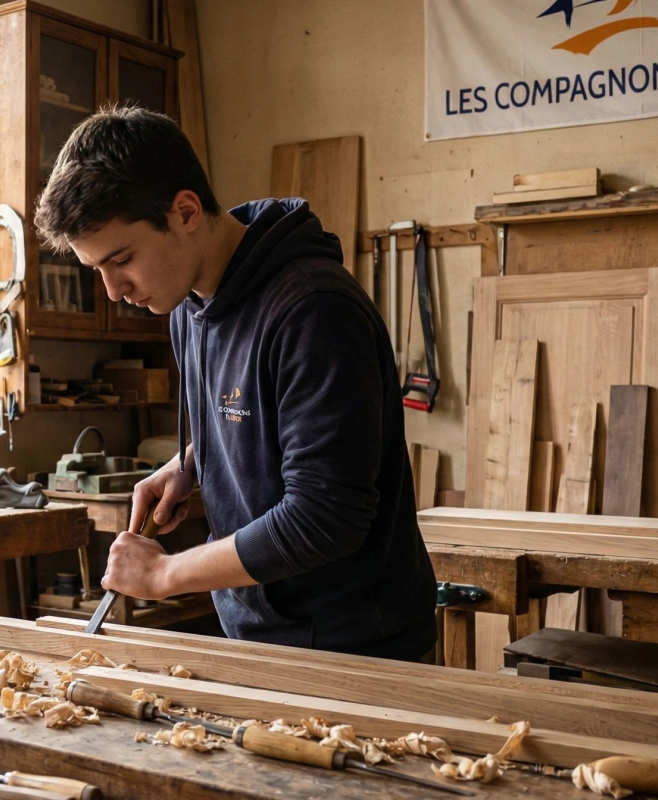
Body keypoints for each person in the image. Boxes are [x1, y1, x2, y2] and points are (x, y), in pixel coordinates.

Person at [33, 106, 437, 661]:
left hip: (354, 643)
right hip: (257, 631)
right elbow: (261, 412)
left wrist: (166, 573)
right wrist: (194, 463)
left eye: (121, 259)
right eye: (96, 269)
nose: (113, 291)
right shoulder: (187, 307)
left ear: (185, 211)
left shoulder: (313, 310)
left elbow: (325, 518)